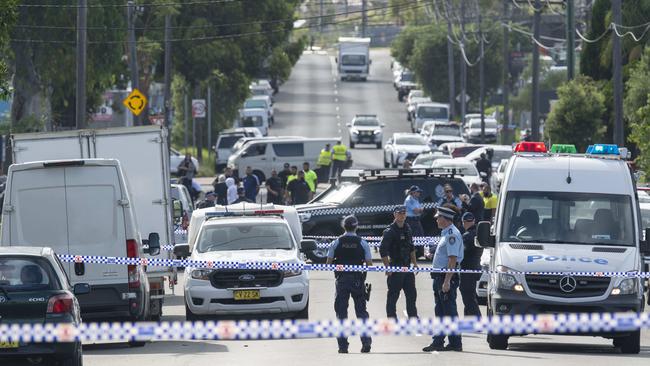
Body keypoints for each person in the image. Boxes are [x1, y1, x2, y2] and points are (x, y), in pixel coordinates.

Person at [326, 215, 373, 354]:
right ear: (356, 226)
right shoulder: (362, 243)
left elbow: (328, 264)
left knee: (341, 314)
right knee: (361, 313)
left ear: (343, 226)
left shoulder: (336, 242)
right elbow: (369, 264)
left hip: (341, 281)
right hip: (358, 280)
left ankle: (343, 347)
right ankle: (366, 343)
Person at [423, 206, 464, 352]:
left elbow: (452, 260)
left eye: (438, 217)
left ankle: (455, 343)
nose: (436, 220)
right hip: (440, 277)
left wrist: (447, 281)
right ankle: (439, 341)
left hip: (445, 278)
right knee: (441, 312)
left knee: (449, 312)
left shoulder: (452, 235)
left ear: (445, 219)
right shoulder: (446, 233)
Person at [379, 206, 419, 319]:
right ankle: (391, 318)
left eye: (404, 213)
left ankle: (413, 317)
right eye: (400, 213)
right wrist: (387, 267)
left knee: (411, 294)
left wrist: (415, 264)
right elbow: (383, 250)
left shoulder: (407, 228)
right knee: (393, 295)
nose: (402, 215)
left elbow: (411, 247)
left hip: (407, 266)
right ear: (395, 215)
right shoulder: (389, 231)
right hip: (395, 266)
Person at [459, 212, 482, 317]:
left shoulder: (467, 236)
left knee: (468, 297)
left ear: (463, 222)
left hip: (467, 270)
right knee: (470, 296)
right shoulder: (477, 233)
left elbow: (461, 253)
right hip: (475, 267)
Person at [404, 185, 425, 258]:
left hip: (416, 220)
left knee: (420, 235)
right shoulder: (409, 200)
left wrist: (419, 210)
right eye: (418, 192)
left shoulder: (416, 199)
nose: (419, 193)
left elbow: (420, 211)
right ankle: (413, 254)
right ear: (413, 192)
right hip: (410, 221)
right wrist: (420, 210)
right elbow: (416, 211)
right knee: (413, 237)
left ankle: (420, 252)